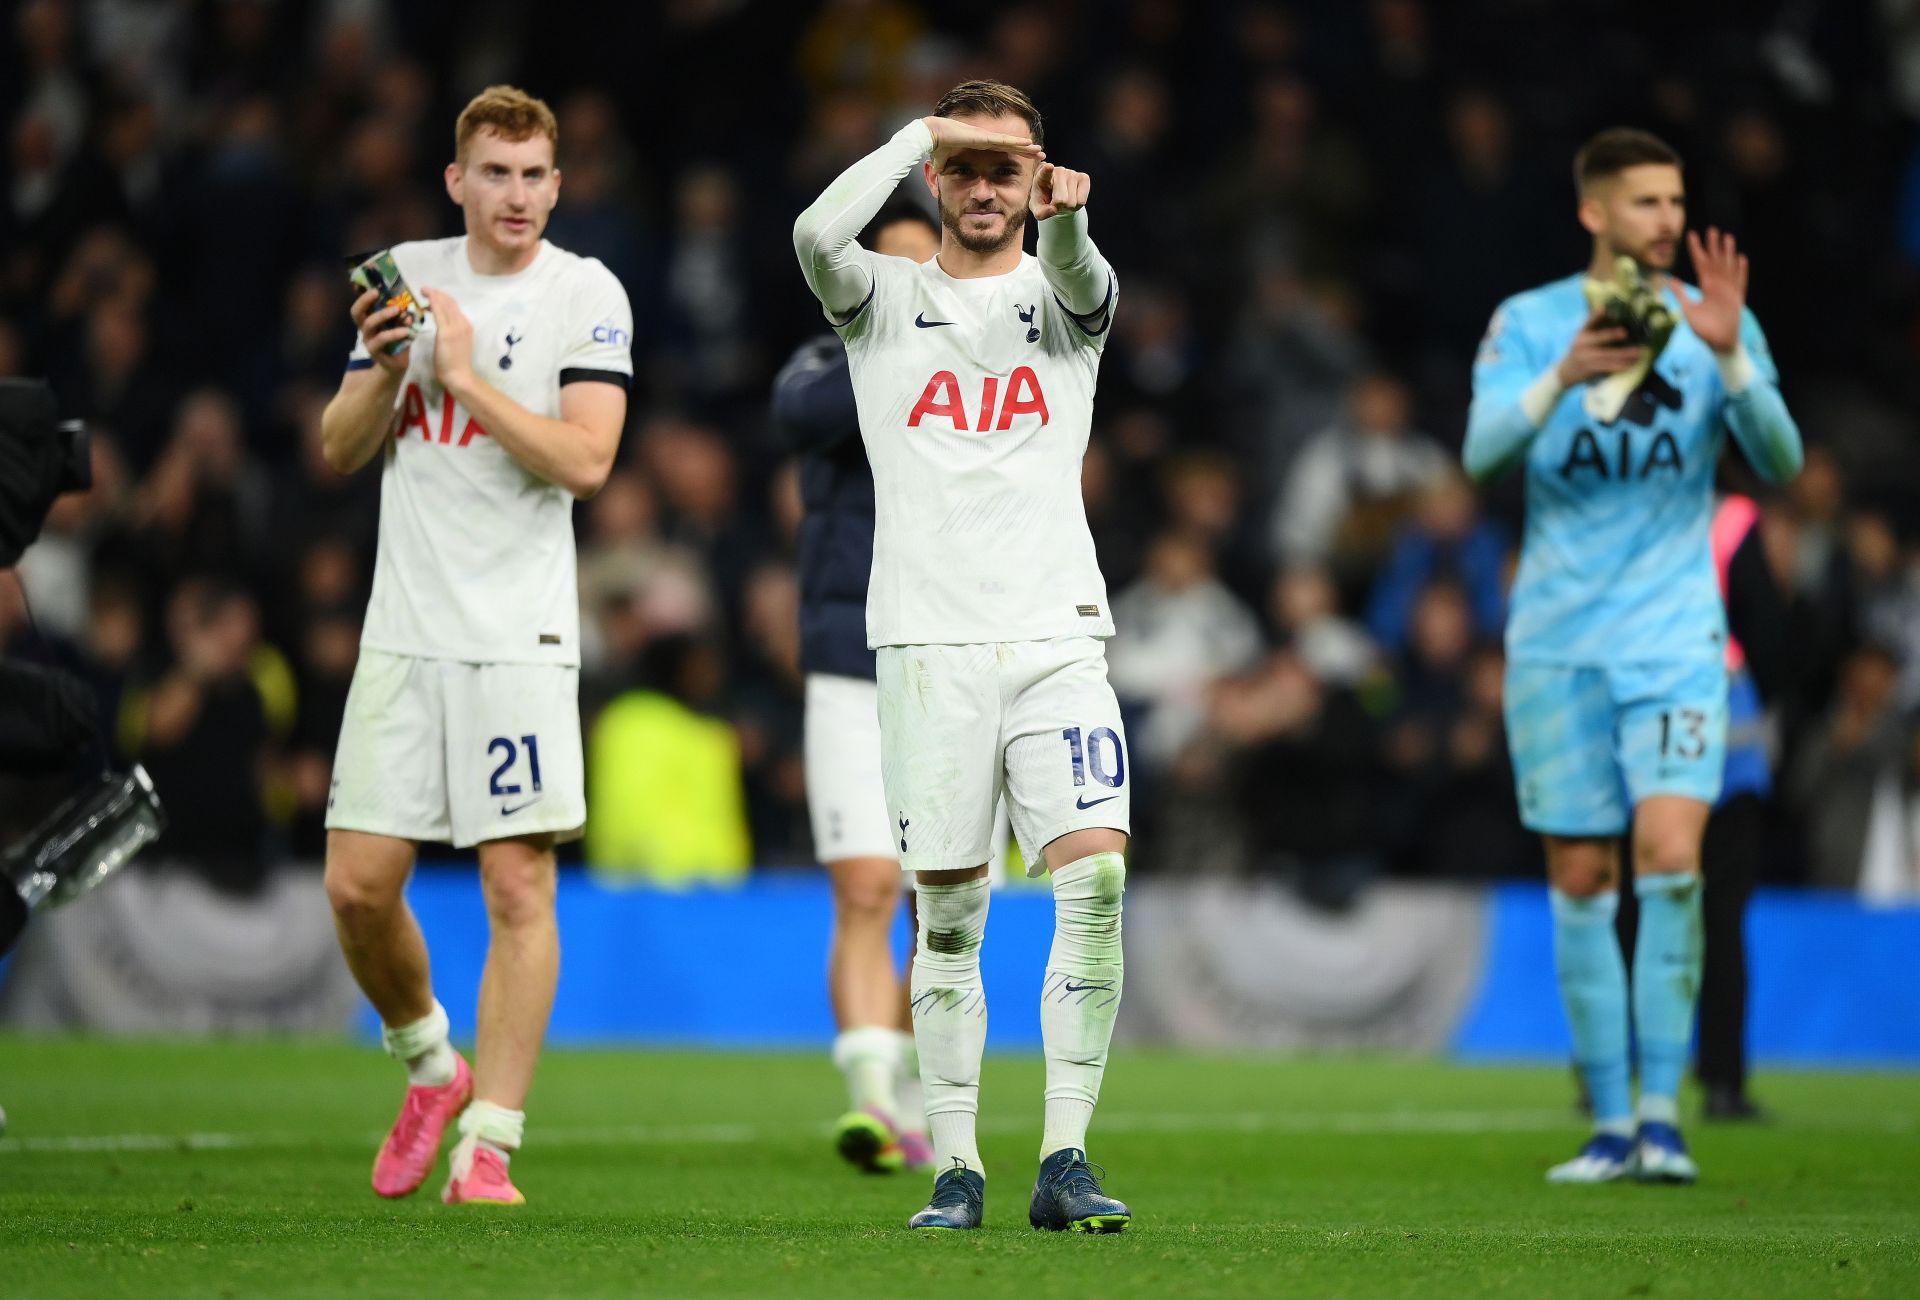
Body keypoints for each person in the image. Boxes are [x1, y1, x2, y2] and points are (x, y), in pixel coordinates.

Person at [793, 79, 1132, 1233]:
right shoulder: (881, 297)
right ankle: (957, 1166)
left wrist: (1070, 214)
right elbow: (811, 233)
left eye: (1009, 168)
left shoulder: (1068, 289)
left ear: (1038, 181)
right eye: (966, 168)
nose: (986, 189)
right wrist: (913, 135)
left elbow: (1084, 278)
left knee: (1094, 880)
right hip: (925, 642)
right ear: (935, 177)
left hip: (1056, 635)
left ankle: (1067, 1154)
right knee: (948, 919)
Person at [1465, 128, 1802, 1184]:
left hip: (1674, 641)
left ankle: (1664, 1115)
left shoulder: (1710, 327)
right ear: (1594, 213)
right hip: (1560, 644)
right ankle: (1609, 1122)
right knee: (1579, 873)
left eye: (1675, 199)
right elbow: (1479, 456)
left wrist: (1736, 350)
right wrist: (1563, 373)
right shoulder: (1529, 322)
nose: (1668, 219)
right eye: (1648, 202)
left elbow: (1783, 460)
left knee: (1671, 860)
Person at [318, 86, 631, 1207]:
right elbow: (341, 447)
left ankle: (488, 1145)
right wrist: (396, 370)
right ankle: (430, 1066)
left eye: (534, 173)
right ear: (457, 181)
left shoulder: (585, 294)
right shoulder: (408, 273)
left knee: (516, 883)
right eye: (494, 173)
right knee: (357, 886)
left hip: (519, 633)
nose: (516, 194)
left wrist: (462, 379)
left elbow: (587, 460)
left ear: (558, 181)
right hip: (405, 627)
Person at [774, 202, 941, 1176]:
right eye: (896, 266)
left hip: (950, 661)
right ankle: (874, 1103)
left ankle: (922, 1088)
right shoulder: (822, 366)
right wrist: (897, 345)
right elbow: (797, 416)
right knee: (867, 886)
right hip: (846, 659)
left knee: (942, 902)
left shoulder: (983, 370)